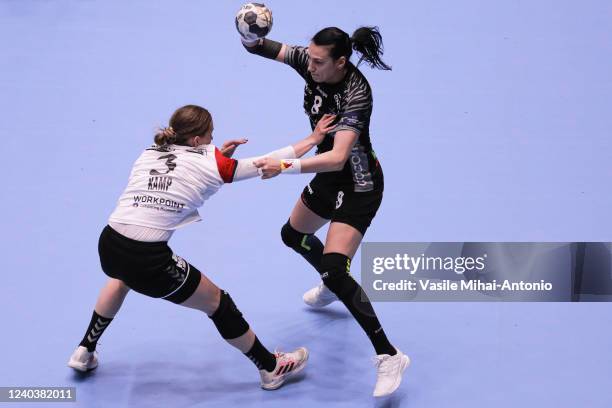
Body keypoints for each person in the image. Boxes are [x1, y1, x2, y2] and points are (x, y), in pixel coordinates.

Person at [68, 104, 336, 391]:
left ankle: (85, 349)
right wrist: (313, 139)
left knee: (121, 279)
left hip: (109, 242)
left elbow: (182, 169)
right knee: (219, 304)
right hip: (147, 259)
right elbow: (266, 162)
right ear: (196, 141)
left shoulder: (148, 152)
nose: (211, 140)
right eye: (209, 136)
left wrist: (216, 153)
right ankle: (271, 368)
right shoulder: (213, 163)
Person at [239, 25, 410, 397]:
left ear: (340, 62)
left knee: (334, 267)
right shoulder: (310, 60)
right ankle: (334, 286)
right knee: (294, 235)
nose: (310, 65)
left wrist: (282, 166)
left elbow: (336, 159)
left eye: (318, 62)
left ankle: (389, 355)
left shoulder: (357, 94)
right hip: (329, 176)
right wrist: (248, 33)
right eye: (309, 59)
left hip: (358, 183)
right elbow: (261, 48)